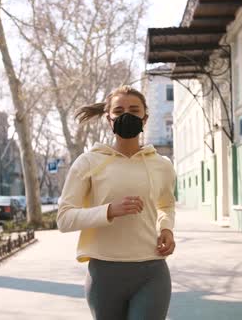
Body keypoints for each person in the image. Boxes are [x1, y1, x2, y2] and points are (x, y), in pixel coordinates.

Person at [57, 85, 177, 320]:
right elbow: (64, 218)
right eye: (119, 110)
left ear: (145, 117)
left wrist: (166, 229)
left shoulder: (162, 164)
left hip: (152, 271)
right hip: (104, 273)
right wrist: (109, 210)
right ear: (108, 118)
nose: (126, 115)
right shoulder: (89, 162)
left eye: (134, 110)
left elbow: (166, 205)